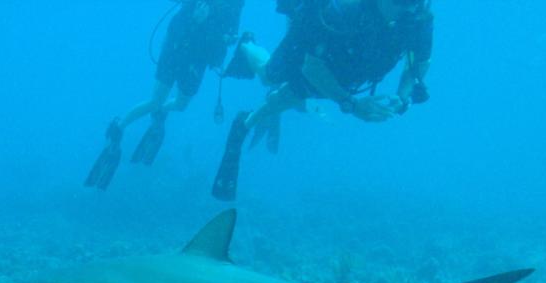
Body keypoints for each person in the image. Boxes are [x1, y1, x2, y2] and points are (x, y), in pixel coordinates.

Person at [212, 0, 434, 201]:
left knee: (291, 96)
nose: (408, 8)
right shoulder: (345, 9)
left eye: (415, 1)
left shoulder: (418, 19)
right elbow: (311, 67)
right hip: (310, 50)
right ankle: (247, 45)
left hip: (346, 71)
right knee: (269, 75)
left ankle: (245, 123)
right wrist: (351, 104)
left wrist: (403, 96)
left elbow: (419, 62)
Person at [85, 0, 244, 190]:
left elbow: (232, 31)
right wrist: (195, 19)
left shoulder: (236, 4)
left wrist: (229, 39)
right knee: (155, 101)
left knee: (181, 105)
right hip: (176, 50)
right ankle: (118, 129)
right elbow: (177, 23)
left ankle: (160, 113)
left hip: (198, 59)